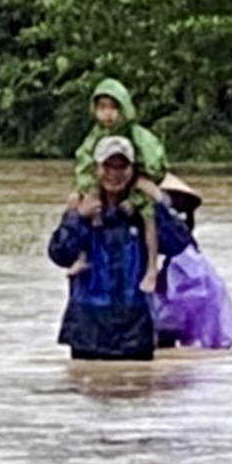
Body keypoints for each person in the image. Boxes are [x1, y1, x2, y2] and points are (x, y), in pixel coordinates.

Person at [48, 136, 188, 362]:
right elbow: (60, 255)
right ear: (96, 168)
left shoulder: (143, 213)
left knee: (136, 391)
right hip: (87, 328)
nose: (114, 174)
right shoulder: (84, 207)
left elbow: (178, 244)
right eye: (108, 166)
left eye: (121, 166)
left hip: (135, 329)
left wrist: (160, 201)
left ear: (133, 171)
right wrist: (78, 218)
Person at [71, 79, 168, 293]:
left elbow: (154, 166)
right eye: (102, 107)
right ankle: (82, 256)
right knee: (76, 203)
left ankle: (152, 267)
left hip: (136, 187)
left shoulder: (138, 136)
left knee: (149, 215)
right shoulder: (94, 137)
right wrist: (88, 191)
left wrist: (136, 194)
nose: (108, 114)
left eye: (113, 107)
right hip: (100, 187)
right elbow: (83, 164)